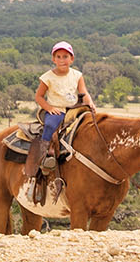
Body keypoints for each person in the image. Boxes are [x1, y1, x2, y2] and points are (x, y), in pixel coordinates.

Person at [22, 42, 95, 189]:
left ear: (72, 59)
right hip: (56, 110)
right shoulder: (47, 77)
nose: (62, 60)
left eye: (65, 56)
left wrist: (91, 104)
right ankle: (44, 156)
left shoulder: (77, 75)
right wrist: (49, 108)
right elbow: (39, 97)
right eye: (59, 57)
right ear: (53, 59)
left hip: (74, 108)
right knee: (50, 125)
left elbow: (83, 92)